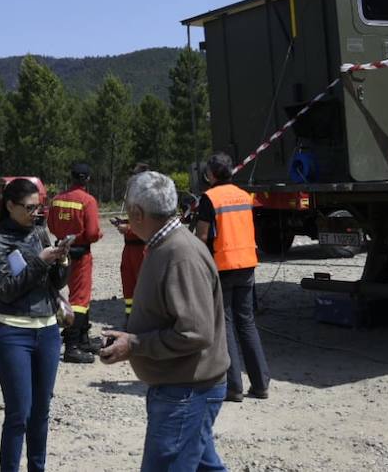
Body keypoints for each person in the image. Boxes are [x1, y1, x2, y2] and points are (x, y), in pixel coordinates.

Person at [100, 171, 230, 471]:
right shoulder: (166, 245)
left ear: (137, 213)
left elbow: (196, 333)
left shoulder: (179, 253)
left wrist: (135, 344)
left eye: (126, 210)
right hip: (183, 388)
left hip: (186, 392)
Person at [0, 178, 72, 472]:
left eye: (39, 206)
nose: (37, 212)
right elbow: (7, 289)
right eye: (30, 207)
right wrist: (40, 262)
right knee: (19, 413)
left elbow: (55, 283)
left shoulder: (40, 233)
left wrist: (61, 261)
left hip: (47, 331)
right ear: (10, 206)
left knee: (41, 413)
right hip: (12, 332)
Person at [194, 152, 271, 402]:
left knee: (224, 323)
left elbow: (202, 237)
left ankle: (233, 386)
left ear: (212, 175)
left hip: (223, 266)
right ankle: (260, 384)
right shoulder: (243, 195)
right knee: (246, 322)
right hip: (247, 264)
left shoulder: (209, 198)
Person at [46, 162, 102, 363]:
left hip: (61, 252)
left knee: (76, 296)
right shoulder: (88, 201)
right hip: (81, 254)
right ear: (86, 179)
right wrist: (97, 235)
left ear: (71, 177)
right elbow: (93, 233)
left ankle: (83, 338)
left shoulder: (57, 200)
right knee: (80, 299)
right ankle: (72, 346)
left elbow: (51, 225)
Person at [116, 162, 152, 321]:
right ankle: (131, 321)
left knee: (144, 287)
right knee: (129, 287)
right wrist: (123, 223)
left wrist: (128, 228)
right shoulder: (134, 197)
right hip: (129, 248)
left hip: (142, 248)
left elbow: (150, 226)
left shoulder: (150, 198)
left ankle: (145, 321)